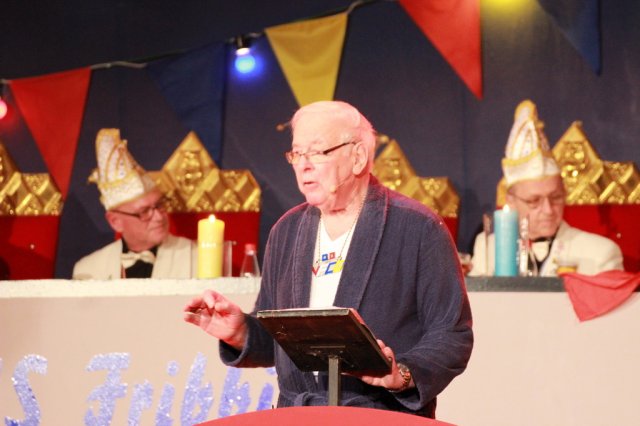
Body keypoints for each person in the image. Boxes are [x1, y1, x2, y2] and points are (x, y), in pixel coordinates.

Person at [184, 101, 473, 418]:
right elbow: (284, 343)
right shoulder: (287, 231)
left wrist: (401, 374)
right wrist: (241, 332)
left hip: (379, 417)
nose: (303, 165)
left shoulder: (417, 227)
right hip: (298, 417)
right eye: (297, 153)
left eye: (317, 152)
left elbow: (452, 335)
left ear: (358, 157)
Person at [469, 100, 623, 276]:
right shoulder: (488, 249)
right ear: (510, 201)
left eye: (556, 197)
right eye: (534, 201)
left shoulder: (600, 254)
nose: (549, 210)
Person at [73, 128, 197, 279]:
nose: (159, 217)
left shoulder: (196, 258)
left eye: (159, 205)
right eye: (144, 211)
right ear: (115, 221)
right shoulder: (88, 270)